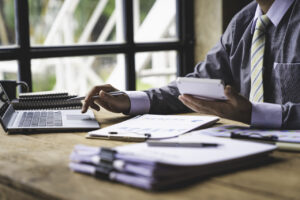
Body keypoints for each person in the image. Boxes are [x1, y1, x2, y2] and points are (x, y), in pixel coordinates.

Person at [82, 0, 300, 129]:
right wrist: (130, 99)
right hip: (250, 154)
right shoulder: (242, 22)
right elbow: (197, 85)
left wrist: (255, 114)